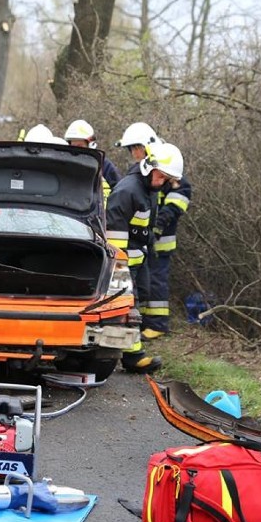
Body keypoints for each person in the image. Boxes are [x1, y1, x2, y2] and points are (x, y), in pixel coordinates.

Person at [105, 142, 183, 374]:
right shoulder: (128, 191)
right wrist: (120, 267)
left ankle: (127, 351)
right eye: (162, 177)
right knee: (128, 306)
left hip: (140, 258)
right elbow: (115, 234)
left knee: (141, 299)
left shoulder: (148, 188)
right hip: (124, 262)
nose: (163, 183)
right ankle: (132, 356)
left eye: (167, 179)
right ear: (150, 167)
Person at [144, 156, 192, 341]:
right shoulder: (159, 180)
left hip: (161, 244)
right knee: (147, 282)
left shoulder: (181, 185)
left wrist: (156, 228)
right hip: (148, 241)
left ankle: (158, 324)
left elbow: (172, 210)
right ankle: (146, 321)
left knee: (157, 283)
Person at [64, 119, 121, 204]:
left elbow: (119, 194)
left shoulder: (104, 166)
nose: (76, 150)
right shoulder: (65, 166)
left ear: (90, 144)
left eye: (80, 146)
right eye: (73, 146)